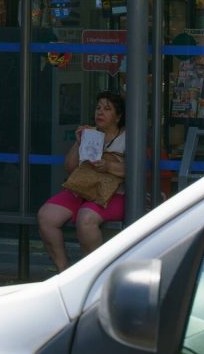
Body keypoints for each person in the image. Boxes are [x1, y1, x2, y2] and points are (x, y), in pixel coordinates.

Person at [37, 91, 125, 272]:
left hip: (114, 193)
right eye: (98, 107)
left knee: (86, 219)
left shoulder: (128, 138)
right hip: (83, 189)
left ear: (118, 117)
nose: (100, 112)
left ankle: (94, 273)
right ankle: (63, 271)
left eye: (107, 109)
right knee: (46, 216)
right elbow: (70, 168)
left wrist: (108, 166)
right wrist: (78, 143)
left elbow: (135, 170)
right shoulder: (91, 135)